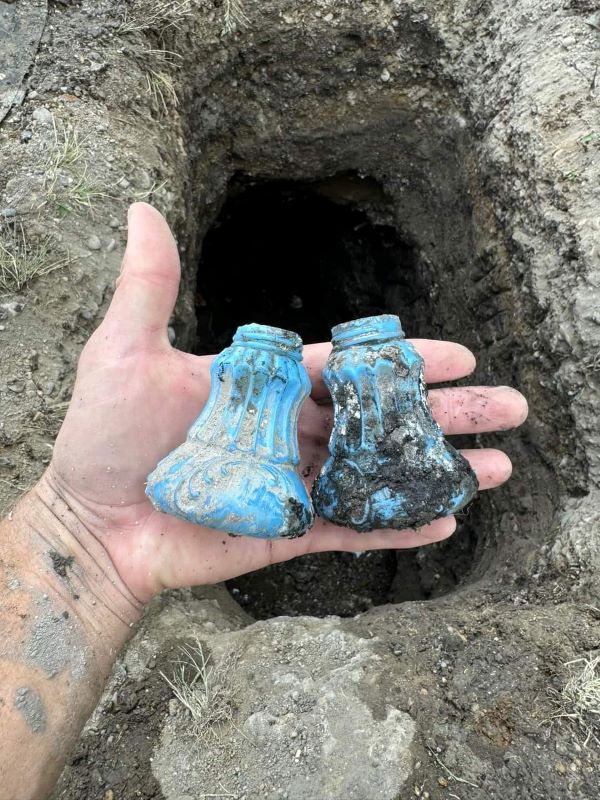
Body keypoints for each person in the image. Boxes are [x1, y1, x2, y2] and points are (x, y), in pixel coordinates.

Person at [0, 203, 528, 800]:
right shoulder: (290, 372)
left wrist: (73, 535)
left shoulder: (314, 375)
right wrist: (79, 528)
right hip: (304, 487)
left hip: (233, 488)